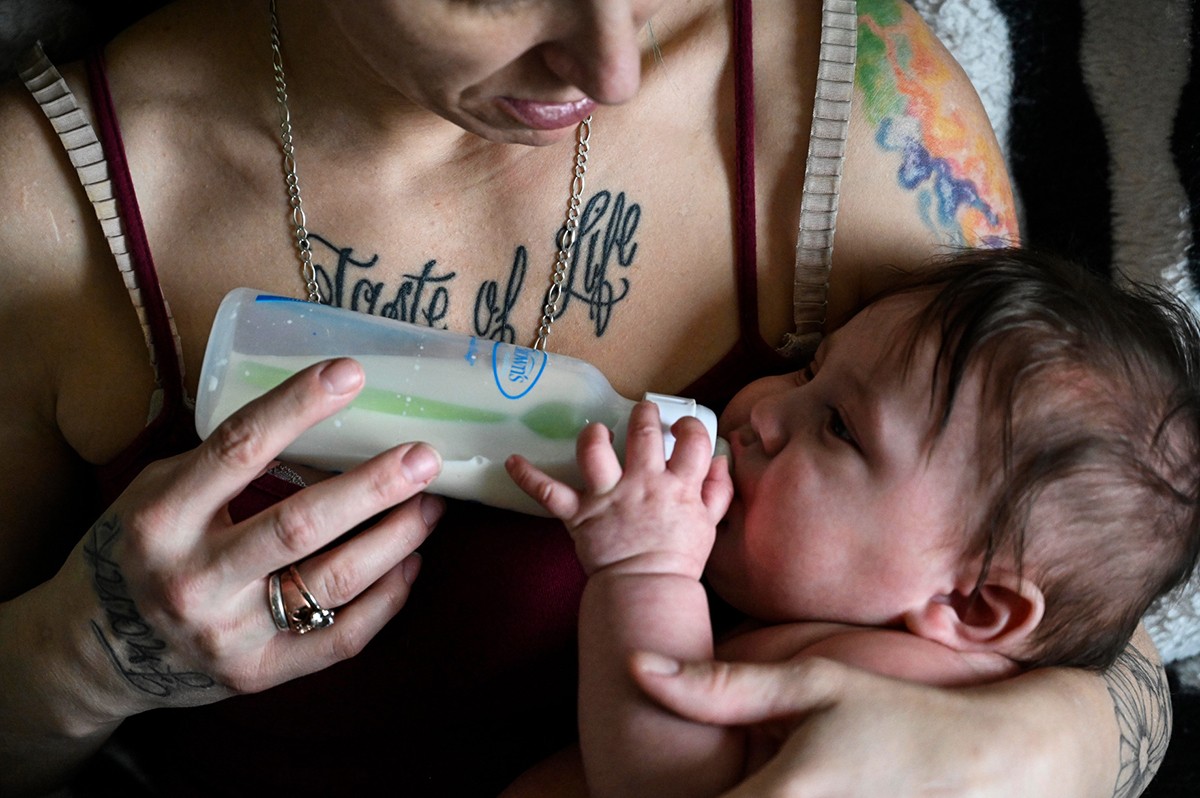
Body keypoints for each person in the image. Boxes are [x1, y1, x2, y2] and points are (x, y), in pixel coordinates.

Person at [0, 0, 1180, 795]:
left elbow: (1058, 561)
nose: (614, 67)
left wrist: (1047, 745)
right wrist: (85, 658)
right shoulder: (45, 206)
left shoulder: (861, 101)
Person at [503, 248, 1200, 796]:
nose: (763, 411)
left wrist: (646, 572)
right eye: (808, 370)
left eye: (839, 427)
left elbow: (664, 785)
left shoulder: (900, 687)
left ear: (971, 603)